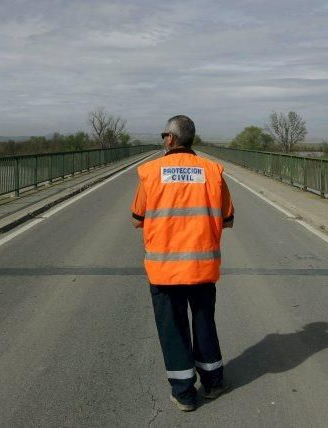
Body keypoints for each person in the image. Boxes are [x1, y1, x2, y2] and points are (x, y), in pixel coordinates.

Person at [130, 115, 234, 412]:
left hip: (164, 270)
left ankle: (185, 393)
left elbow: (138, 218)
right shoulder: (213, 172)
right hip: (202, 267)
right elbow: (227, 218)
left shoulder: (151, 172)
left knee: (173, 329)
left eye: (165, 134)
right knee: (204, 322)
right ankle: (213, 382)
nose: (164, 139)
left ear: (172, 139)